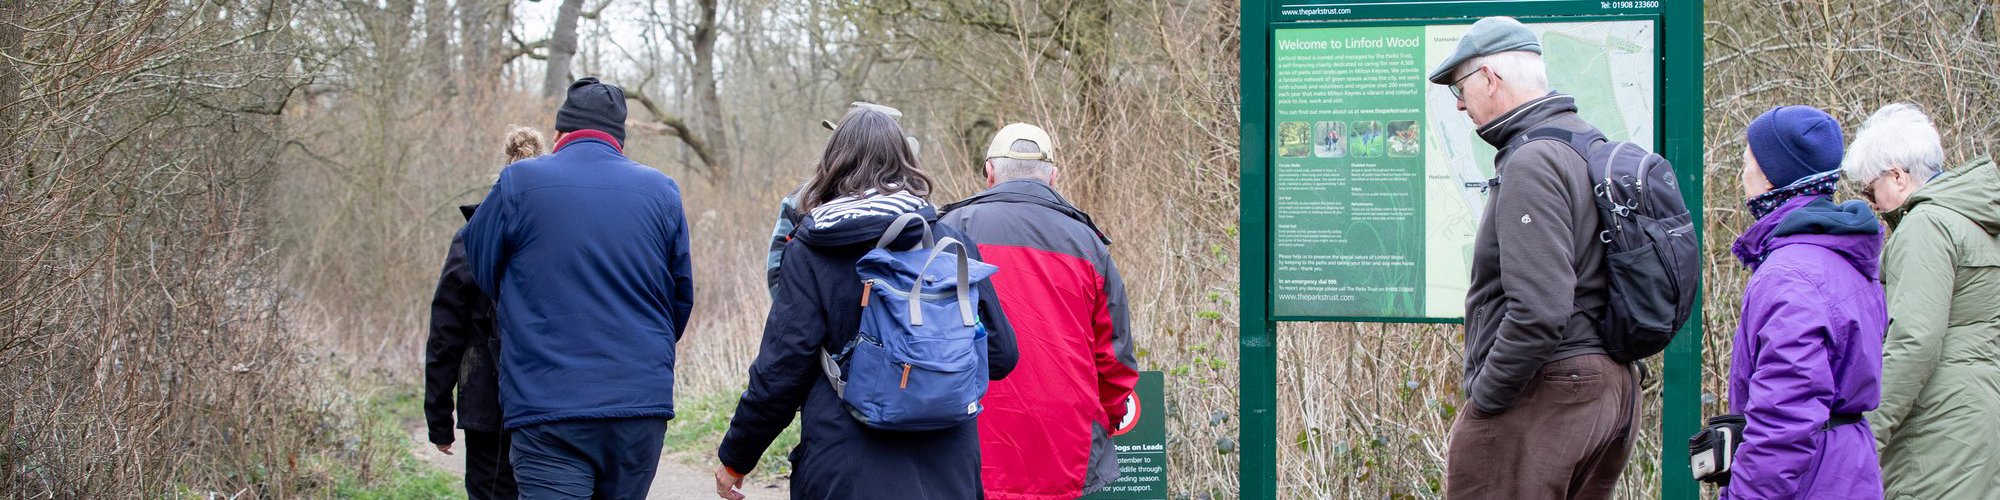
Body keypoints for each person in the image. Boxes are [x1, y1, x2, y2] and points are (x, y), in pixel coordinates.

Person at [713, 108, 1018, 499]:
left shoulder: (810, 250)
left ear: (833, 164)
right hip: (949, 469)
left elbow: (781, 370)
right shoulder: (950, 244)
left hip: (845, 465)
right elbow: (1002, 354)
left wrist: (736, 458)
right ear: (906, 161)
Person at [1427, 17, 1636, 499]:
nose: (1459, 104)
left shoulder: (1532, 161)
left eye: (1460, 88)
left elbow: (1540, 310)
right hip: (1608, 388)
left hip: (1549, 390)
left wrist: (1486, 397)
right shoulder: (1585, 143)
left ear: (1489, 78)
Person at [460, 77, 697, 499]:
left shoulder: (518, 182)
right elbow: (680, 298)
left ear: (558, 134)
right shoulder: (663, 191)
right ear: (619, 139)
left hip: (548, 403)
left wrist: (526, 306)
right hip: (638, 404)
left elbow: (481, 266)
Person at [940, 123, 1139, 499]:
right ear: (1053, 176)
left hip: (967, 444)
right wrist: (1104, 423)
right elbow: (1115, 361)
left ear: (989, 172)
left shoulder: (948, 232)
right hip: (1065, 447)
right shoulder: (1087, 244)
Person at [1725, 105, 1884, 498]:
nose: (1742, 174)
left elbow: (1784, 418)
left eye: (1747, 162)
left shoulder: (1790, 276)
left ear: (1769, 175)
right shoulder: (1842, 254)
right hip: (1848, 469)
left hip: (1809, 477)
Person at [1844, 103, 2000, 498]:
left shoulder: (1926, 225)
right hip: (1980, 418)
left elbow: (1914, 340)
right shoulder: (1975, 221)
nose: (1872, 203)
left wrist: (1867, 433)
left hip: (1937, 430)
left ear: (1897, 176)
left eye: (1870, 189)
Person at [422, 126, 543, 500]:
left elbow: (445, 332)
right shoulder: (556, 236)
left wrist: (439, 417)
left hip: (488, 404)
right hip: (548, 401)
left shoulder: (471, 237)